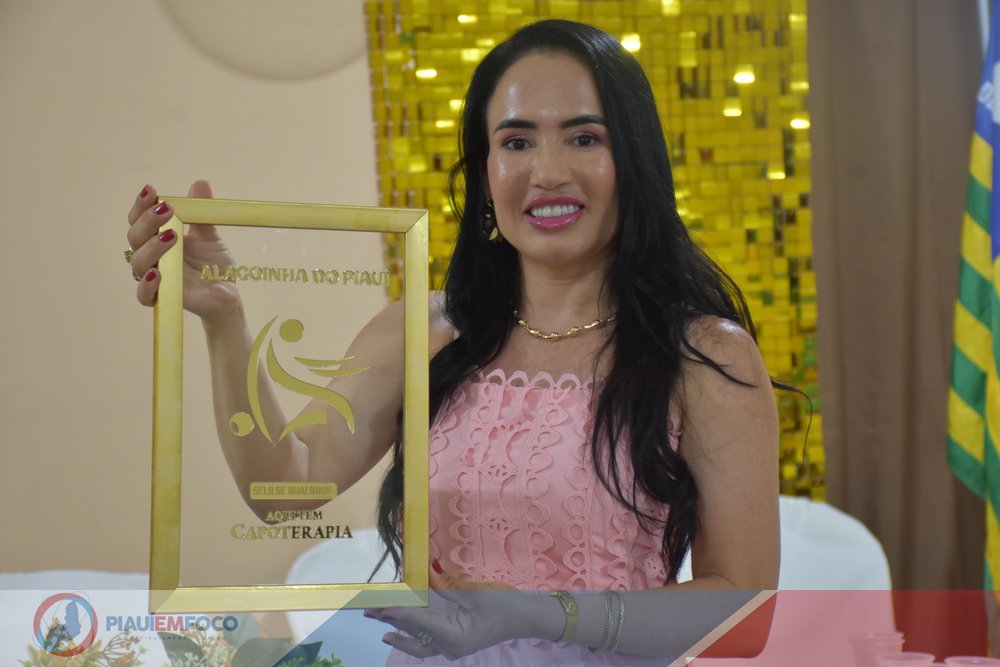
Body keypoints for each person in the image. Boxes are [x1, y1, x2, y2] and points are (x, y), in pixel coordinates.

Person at [126, 18, 778, 666]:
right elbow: (287, 486)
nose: (548, 171)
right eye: (516, 142)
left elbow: (746, 615)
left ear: (634, 161)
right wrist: (225, 321)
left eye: (584, 137)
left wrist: (545, 614)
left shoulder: (704, 356)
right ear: (486, 174)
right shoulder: (423, 329)